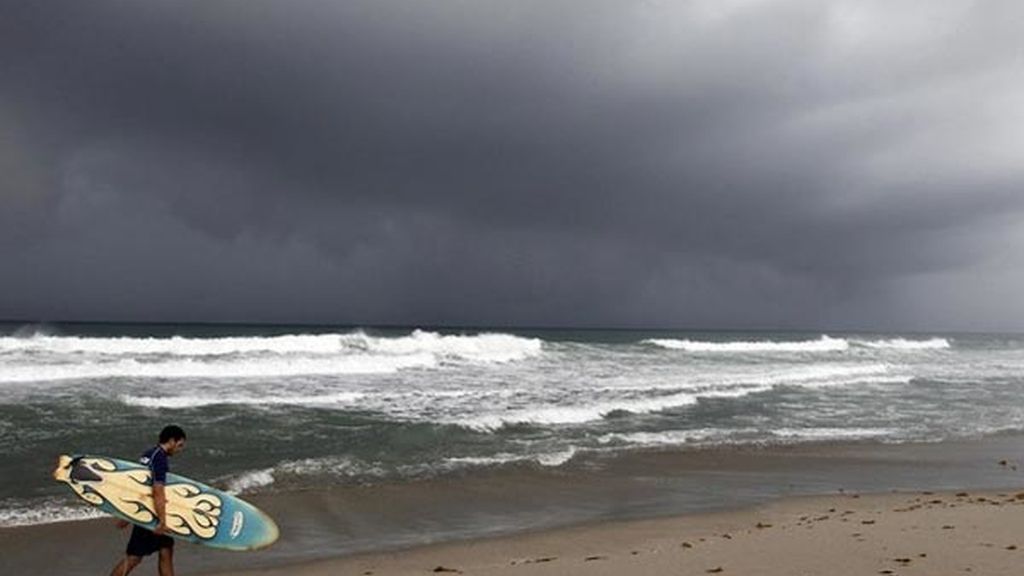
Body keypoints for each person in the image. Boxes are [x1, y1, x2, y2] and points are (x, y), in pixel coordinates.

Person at [109, 425, 187, 576]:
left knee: (166, 550)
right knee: (134, 557)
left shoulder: (148, 454)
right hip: (152, 515)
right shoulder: (160, 459)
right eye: (180, 445)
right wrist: (162, 521)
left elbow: (136, 485)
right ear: (171, 441)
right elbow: (157, 491)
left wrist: (126, 514)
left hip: (146, 510)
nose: (180, 450)